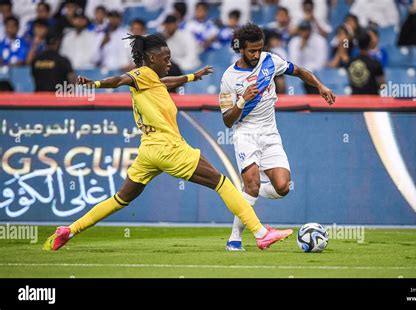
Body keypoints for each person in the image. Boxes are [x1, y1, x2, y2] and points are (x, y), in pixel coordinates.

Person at [43, 33, 293, 252]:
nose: (169, 62)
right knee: (222, 183)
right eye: (166, 58)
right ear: (152, 59)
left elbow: (165, 83)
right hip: (169, 148)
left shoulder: (151, 80)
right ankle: (261, 234)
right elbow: (120, 80)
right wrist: (96, 84)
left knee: (120, 199)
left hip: (148, 151)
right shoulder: (140, 74)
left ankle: (69, 230)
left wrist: (193, 77)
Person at [219, 23, 335, 251]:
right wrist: (242, 100)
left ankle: (243, 193)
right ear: (241, 49)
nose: (256, 54)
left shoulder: (270, 61)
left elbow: (300, 71)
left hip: (271, 134)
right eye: (252, 50)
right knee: (252, 184)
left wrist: (320, 86)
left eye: (259, 49)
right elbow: (227, 120)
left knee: (283, 187)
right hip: (246, 134)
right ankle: (234, 239)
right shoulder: (229, 78)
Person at [348, 31, 385, 95]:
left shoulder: (350, 63)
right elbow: (382, 85)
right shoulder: (375, 63)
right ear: (370, 44)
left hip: (354, 101)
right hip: (372, 101)